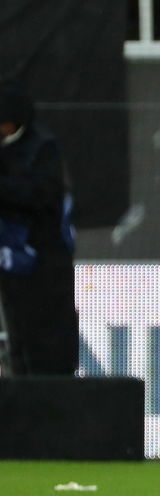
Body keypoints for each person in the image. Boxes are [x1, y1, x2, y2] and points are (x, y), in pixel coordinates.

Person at [0, 82, 78, 375]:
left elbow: (44, 195)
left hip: (45, 260)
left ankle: (52, 391)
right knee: (17, 331)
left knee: (48, 334)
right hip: (12, 260)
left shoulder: (42, 147)